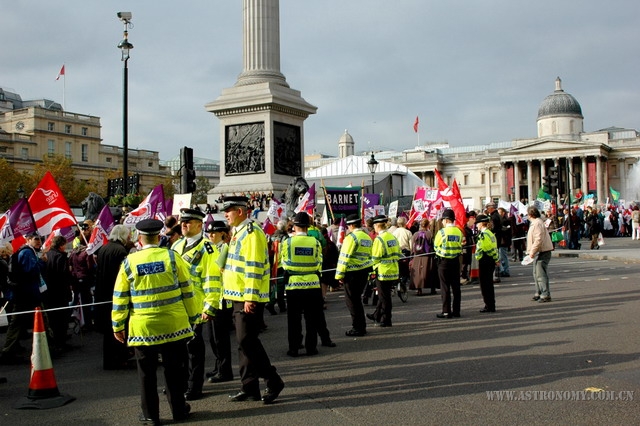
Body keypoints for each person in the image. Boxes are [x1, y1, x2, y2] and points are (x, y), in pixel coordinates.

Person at [112, 219, 198, 425]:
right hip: (173, 325)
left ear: (139, 238)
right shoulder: (172, 258)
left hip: (143, 329)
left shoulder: (129, 263)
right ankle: (179, 410)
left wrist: (117, 325)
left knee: (146, 374)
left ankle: (151, 415)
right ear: (159, 237)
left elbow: (120, 297)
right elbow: (188, 290)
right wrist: (193, 317)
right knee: (174, 371)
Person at [222, 196, 285, 404]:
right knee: (243, 343)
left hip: (248, 297)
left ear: (240, 212)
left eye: (228, 211)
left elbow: (254, 266)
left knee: (246, 340)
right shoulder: (238, 232)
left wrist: (250, 297)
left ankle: (273, 379)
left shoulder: (251, 233)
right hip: (237, 295)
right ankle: (249, 387)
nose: (225, 214)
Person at [171, 208, 223, 401]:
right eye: (183, 222)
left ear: (200, 225)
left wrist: (210, 306)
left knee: (194, 349)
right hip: (177, 305)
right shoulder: (176, 246)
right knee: (178, 349)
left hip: (196, 306)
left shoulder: (208, 248)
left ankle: (194, 386)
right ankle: (179, 384)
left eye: (189, 222)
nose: (184, 225)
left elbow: (212, 279)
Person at [280, 212, 326, 356]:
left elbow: (284, 263)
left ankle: (294, 348)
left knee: (294, 319)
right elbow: (319, 262)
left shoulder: (287, 242)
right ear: (308, 226)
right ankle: (311, 348)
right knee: (311, 319)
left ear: (294, 226)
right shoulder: (315, 242)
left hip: (294, 285)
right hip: (313, 285)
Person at [0, 233, 47, 364]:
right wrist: (41, 262)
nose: (39, 242)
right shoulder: (27, 253)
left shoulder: (27, 252)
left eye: (40, 239)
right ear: (28, 240)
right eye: (36, 239)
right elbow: (31, 271)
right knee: (18, 323)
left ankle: (48, 346)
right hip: (26, 294)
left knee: (38, 320)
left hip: (27, 293)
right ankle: (7, 352)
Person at [94, 225, 133, 370]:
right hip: (115, 292)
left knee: (107, 331)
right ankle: (119, 359)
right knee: (118, 328)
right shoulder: (120, 251)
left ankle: (109, 360)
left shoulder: (104, 248)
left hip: (103, 292)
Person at [202, 220, 234, 384]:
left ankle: (225, 369)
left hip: (222, 299)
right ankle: (218, 366)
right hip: (213, 298)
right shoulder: (213, 248)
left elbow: (218, 269)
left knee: (220, 338)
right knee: (213, 337)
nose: (210, 235)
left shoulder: (224, 248)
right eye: (209, 232)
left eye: (214, 232)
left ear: (222, 233)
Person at [335, 214, 373, 336]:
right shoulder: (366, 237)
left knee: (352, 301)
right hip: (363, 272)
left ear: (351, 225)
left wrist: (339, 275)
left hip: (352, 274)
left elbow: (344, 257)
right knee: (357, 300)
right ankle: (361, 326)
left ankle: (358, 327)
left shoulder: (351, 238)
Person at [366, 215, 401, 327]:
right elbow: (398, 253)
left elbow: (375, 258)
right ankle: (377, 315)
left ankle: (386, 319)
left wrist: (371, 270)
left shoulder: (379, 239)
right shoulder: (392, 237)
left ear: (377, 226)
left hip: (382, 272)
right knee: (384, 295)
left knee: (384, 297)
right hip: (393, 270)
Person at [42, 235, 73, 354]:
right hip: (60, 291)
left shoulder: (47, 255)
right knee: (61, 318)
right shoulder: (61, 257)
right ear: (61, 245)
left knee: (54, 318)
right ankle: (61, 342)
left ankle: (57, 340)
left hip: (50, 292)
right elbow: (64, 276)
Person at [434, 209, 464, 319]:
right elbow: (460, 245)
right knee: (456, 287)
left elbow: (436, 247)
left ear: (446, 220)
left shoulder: (441, 232)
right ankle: (456, 311)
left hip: (444, 262)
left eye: (443, 220)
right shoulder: (458, 231)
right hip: (455, 261)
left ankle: (446, 311)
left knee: (445, 287)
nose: (442, 222)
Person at [69, 228, 96, 330]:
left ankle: (78, 321)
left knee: (77, 301)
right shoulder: (86, 253)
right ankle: (87, 324)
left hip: (76, 280)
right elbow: (90, 267)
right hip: (85, 280)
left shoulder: (73, 252)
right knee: (86, 302)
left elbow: (70, 265)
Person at [526, 206, 554, 303]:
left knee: (540, 274)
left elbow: (538, 239)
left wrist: (532, 251)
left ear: (530, 215)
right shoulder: (536, 223)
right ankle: (538, 292)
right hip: (539, 250)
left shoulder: (537, 223)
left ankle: (545, 294)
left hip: (542, 251)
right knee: (536, 273)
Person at [474, 215, 499, 313]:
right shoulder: (490, 233)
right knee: (489, 284)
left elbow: (486, 247)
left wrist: (478, 255)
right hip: (491, 259)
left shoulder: (483, 235)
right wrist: (496, 258)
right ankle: (491, 304)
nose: (476, 226)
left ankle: (488, 305)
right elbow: (494, 248)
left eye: (477, 224)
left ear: (481, 223)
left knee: (485, 284)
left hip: (485, 259)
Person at [409, 218, 433, 296]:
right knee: (429, 271)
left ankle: (419, 289)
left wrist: (412, 255)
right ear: (428, 225)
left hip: (417, 255)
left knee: (418, 273)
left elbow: (412, 246)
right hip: (427, 256)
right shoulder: (429, 234)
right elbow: (432, 244)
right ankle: (432, 288)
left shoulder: (415, 234)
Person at [460, 211, 476, 285]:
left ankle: (466, 276)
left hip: (469, 247)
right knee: (464, 263)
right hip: (464, 248)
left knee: (467, 262)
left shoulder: (468, 229)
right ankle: (463, 277)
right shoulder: (462, 229)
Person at [497, 207, 511, 277]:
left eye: (499, 212)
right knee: (500, 256)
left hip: (503, 241)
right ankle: (502, 270)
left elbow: (507, 231)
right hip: (501, 241)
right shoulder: (500, 220)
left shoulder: (505, 221)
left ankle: (505, 270)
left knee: (503, 256)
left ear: (503, 213)